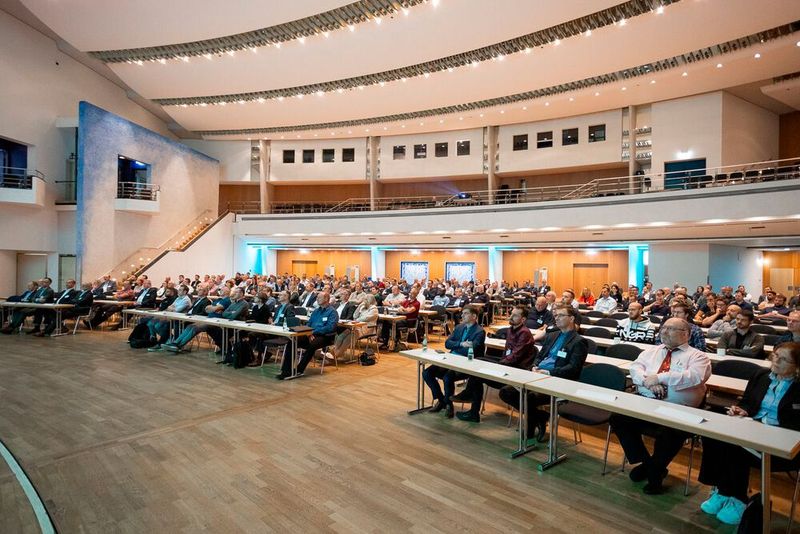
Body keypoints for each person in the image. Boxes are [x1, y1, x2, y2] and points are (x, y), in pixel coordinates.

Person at [697, 343, 800, 525]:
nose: (775, 361)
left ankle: (737, 498)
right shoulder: (761, 375)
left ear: (797, 366)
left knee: (735, 448)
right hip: (752, 428)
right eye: (774, 355)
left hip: (784, 442)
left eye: (783, 359)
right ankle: (722, 491)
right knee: (713, 435)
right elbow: (747, 402)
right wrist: (742, 410)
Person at [610, 318, 711, 495]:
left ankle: (654, 471)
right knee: (618, 418)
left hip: (679, 409)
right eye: (663, 328)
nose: (664, 332)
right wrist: (648, 383)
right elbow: (635, 368)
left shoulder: (698, 356)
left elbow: (694, 376)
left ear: (686, 334)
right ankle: (651, 465)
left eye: (671, 329)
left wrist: (660, 378)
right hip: (646, 402)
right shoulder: (651, 351)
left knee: (669, 433)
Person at [499, 305, 588, 441]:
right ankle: (540, 417)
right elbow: (540, 355)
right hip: (537, 374)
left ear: (571, 318)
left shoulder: (579, 342)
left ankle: (529, 431)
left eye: (560, 315)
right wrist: (535, 366)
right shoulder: (552, 335)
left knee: (529, 397)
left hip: (558, 381)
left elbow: (573, 369)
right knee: (506, 392)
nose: (556, 318)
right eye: (556, 315)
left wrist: (548, 372)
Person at [451, 306, 535, 423]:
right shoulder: (511, 329)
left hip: (516, 371)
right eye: (511, 313)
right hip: (507, 365)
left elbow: (515, 357)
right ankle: (473, 410)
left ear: (523, 319)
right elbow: (507, 354)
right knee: (479, 365)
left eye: (515, 315)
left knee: (479, 370)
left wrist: (497, 365)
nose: (511, 316)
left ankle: (471, 402)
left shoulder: (524, 333)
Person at [423, 305, 485, 418]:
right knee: (427, 373)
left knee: (447, 378)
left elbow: (471, 350)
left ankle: (449, 405)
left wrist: (457, 346)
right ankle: (442, 400)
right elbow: (447, 344)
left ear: (474, 316)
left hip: (465, 363)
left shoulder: (479, 332)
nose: (462, 315)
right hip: (451, 358)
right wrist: (460, 344)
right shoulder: (459, 327)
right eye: (463, 313)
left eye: (466, 313)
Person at [276, 292, 338, 379]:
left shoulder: (332, 312)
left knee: (312, 345)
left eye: (319, 298)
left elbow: (330, 327)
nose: (317, 299)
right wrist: (308, 333)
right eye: (317, 297)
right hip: (310, 334)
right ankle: (286, 371)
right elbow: (309, 323)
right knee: (292, 341)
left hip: (325, 336)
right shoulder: (316, 311)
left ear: (326, 299)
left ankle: (299, 369)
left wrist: (313, 332)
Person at [329, 293, 378, 360]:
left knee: (351, 336)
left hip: (368, 328)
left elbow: (364, 318)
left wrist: (357, 319)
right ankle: (335, 350)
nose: (364, 301)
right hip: (358, 326)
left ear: (370, 300)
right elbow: (354, 316)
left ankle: (338, 353)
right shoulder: (363, 307)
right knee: (343, 333)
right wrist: (359, 306)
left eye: (365, 299)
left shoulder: (374, 309)